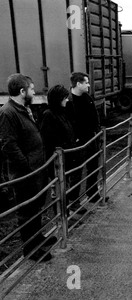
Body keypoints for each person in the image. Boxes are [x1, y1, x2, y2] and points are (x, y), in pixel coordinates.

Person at [0, 73, 57, 262]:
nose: (34, 92)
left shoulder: (22, 109)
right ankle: (31, 250)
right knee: (27, 212)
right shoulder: (8, 113)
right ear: (22, 91)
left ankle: (38, 238)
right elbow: (8, 144)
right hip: (25, 174)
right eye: (32, 89)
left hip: (35, 170)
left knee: (37, 207)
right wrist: (26, 166)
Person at [39, 85, 87, 215]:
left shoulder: (61, 112)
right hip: (57, 162)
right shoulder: (48, 115)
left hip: (66, 158)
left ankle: (65, 216)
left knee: (64, 189)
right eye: (64, 98)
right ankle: (62, 219)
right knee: (60, 191)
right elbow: (49, 142)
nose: (67, 101)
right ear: (58, 99)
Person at [66, 72, 106, 204]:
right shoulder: (68, 102)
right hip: (78, 142)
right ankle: (74, 200)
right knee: (77, 171)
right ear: (78, 84)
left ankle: (92, 193)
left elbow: (95, 117)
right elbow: (67, 123)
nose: (89, 85)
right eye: (86, 82)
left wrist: (97, 132)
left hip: (91, 138)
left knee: (93, 166)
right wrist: (74, 139)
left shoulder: (87, 97)